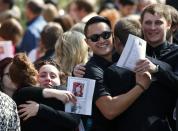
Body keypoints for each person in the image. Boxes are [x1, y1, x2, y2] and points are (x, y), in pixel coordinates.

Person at [81, 16, 151, 131]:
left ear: (113, 35)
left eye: (106, 35)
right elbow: (109, 110)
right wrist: (141, 86)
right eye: (94, 38)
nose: (102, 40)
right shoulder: (91, 70)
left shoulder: (122, 55)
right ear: (87, 42)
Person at [0, 53, 79, 131]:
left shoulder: (67, 93)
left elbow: (74, 121)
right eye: (43, 75)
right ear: (36, 79)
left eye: (53, 76)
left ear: (60, 80)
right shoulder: (26, 95)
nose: (48, 79)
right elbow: (21, 92)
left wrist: (40, 109)